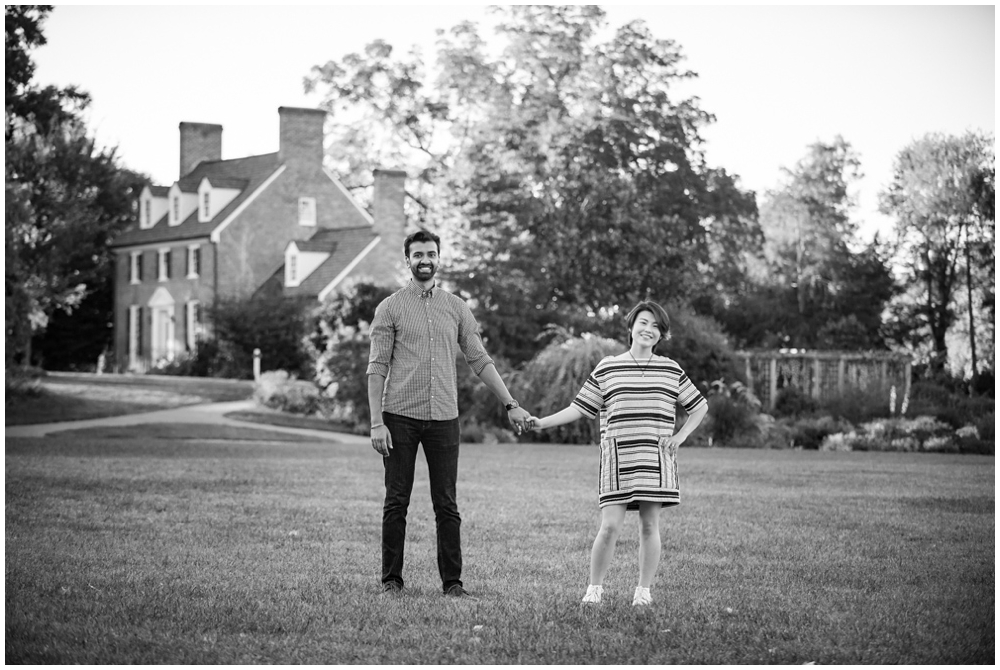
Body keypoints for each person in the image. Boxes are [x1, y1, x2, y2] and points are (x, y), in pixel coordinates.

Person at [367, 228, 532, 599]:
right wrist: (377, 422)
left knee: (447, 504)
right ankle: (391, 581)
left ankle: (453, 584)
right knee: (397, 500)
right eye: (418, 254)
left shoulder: (456, 308)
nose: (425, 260)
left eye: (431, 254)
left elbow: (479, 359)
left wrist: (511, 403)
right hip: (399, 417)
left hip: (444, 418)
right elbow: (376, 366)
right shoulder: (389, 308)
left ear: (439, 258)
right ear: (407, 260)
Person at [527, 300, 708, 606]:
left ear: (662, 335)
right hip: (618, 458)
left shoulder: (671, 370)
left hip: (655, 458)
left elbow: (699, 405)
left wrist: (680, 436)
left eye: (656, 327)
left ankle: (643, 593)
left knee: (650, 525)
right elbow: (579, 407)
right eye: (644, 323)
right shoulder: (608, 367)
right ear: (630, 327)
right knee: (609, 526)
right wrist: (541, 423)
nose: (648, 330)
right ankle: (594, 590)